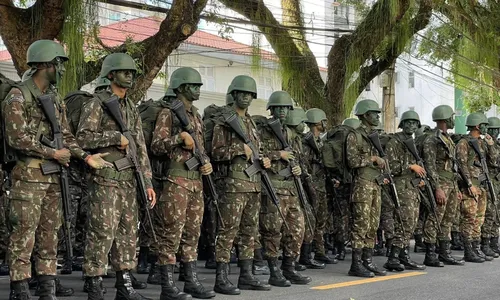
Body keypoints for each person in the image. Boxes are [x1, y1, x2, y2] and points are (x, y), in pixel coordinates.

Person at [4, 39, 110, 300]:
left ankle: (47, 287)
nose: (62, 70)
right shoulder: (18, 96)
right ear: (47, 64)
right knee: (23, 235)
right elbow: (16, 138)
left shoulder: (55, 99)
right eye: (60, 64)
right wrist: (52, 153)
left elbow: (66, 137)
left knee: (50, 235)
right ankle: (20, 289)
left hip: (52, 178)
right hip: (29, 177)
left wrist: (85, 157)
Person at [77, 52, 156, 300]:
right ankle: (95, 283)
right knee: (102, 232)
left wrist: (147, 181)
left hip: (129, 181)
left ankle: (124, 284)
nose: (130, 76)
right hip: (106, 179)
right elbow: (83, 138)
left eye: (132, 72)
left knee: (128, 233)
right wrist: (114, 138)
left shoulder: (130, 106)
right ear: (110, 74)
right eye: (124, 72)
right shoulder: (96, 103)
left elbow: (140, 147)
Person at [150, 67, 215, 300]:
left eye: (198, 86)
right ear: (181, 88)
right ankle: (167, 285)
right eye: (193, 86)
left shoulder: (196, 115)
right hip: (176, 180)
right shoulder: (168, 113)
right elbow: (157, 145)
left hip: (196, 181)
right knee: (171, 233)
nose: (198, 89)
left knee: (192, 233)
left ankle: (190, 280)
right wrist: (179, 138)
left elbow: (201, 149)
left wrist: (206, 163)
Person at [211, 75, 272, 294]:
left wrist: (263, 160)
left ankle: (246, 275)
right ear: (234, 94)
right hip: (234, 185)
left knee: (250, 231)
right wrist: (238, 150)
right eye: (242, 93)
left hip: (253, 184)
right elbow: (216, 152)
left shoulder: (251, 123)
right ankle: (222, 277)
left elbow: (257, 152)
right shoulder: (224, 121)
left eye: (250, 94)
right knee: (228, 231)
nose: (246, 97)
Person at [345, 99, 386, 278]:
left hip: (375, 184)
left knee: (373, 225)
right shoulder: (355, 135)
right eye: (374, 113)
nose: (377, 116)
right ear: (365, 115)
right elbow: (351, 161)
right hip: (362, 184)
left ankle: (367, 261)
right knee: (360, 224)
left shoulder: (375, 135)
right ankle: (356, 264)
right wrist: (372, 159)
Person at [382, 111, 426, 272]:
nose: (411, 126)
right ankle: (393, 258)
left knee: (412, 223)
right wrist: (409, 167)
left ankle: (403, 256)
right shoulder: (395, 142)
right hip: (400, 188)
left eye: (415, 123)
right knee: (403, 222)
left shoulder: (411, 142)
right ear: (402, 124)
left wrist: (419, 177)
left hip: (411, 188)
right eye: (408, 122)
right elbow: (389, 166)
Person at [421, 105, 464, 267]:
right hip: (441, 183)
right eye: (451, 117)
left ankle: (444, 252)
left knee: (448, 219)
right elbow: (430, 166)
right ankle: (430, 253)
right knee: (435, 218)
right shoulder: (432, 139)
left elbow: (452, 165)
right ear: (445, 119)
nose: (453, 120)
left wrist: (457, 188)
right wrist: (437, 187)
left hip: (451, 183)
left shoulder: (447, 139)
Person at [456, 113, 498, 262]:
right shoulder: (463, 143)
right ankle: (468, 250)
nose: (487, 127)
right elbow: (461, 166)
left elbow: (494, 161)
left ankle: (475, 247)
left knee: (479, 218)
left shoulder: (482, 143)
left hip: (481, 184)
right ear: (477, 126)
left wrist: (491, 145)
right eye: (485, 125)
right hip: (471, 186)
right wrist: (468, 184)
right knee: (469, 217)